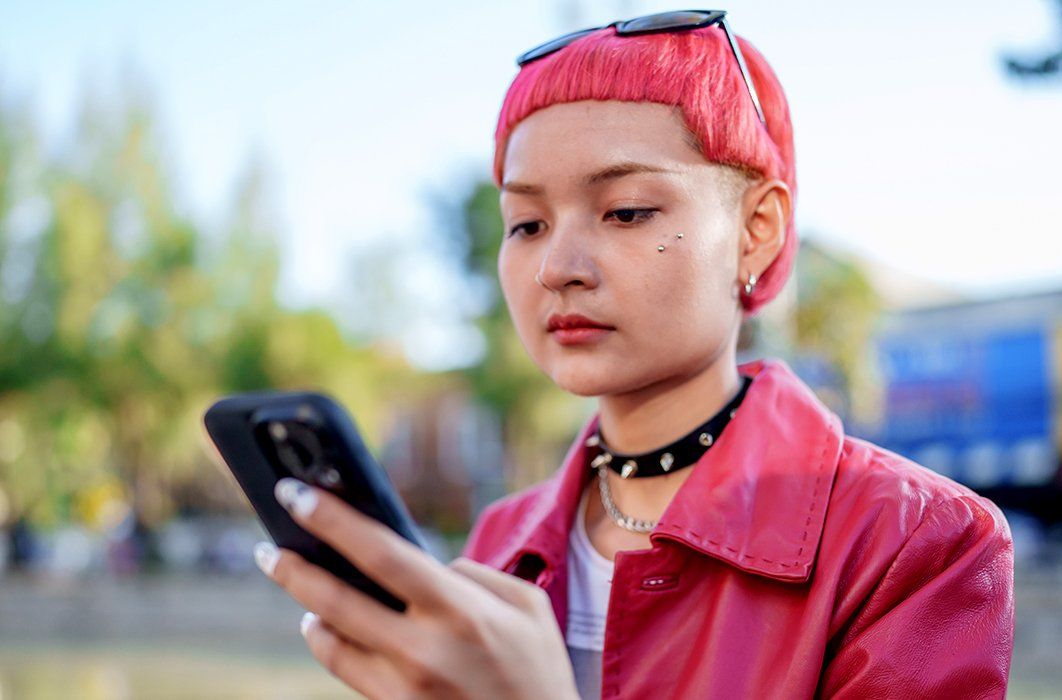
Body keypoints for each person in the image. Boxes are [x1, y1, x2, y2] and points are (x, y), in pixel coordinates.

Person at [252, 9, 1015, 699]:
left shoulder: (916, 544)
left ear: (756, 230)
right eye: (525, 224)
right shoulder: (498, 546)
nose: (558, 266)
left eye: (625, 211)